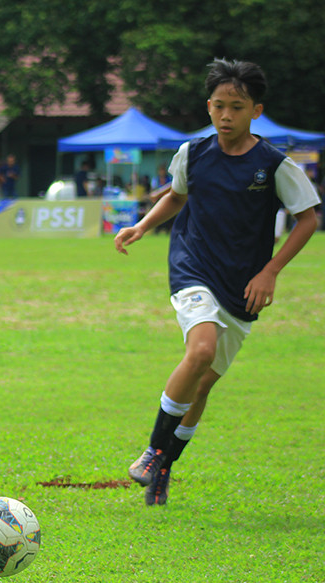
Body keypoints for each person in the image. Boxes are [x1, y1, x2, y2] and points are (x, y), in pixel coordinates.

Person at [114, 58, 320, 507]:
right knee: (201, 350)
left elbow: (307, 219)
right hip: (193, 266)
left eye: (237, 108)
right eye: (219, 106)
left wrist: (270, 271)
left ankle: (165, 465)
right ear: (208, 107)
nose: (226, 116)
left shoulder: (274, 165)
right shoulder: (192, 153)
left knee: (204, 383)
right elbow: (177, 196)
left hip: (243, 284)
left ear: (256, 111)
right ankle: (154, 450)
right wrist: (142, 226)